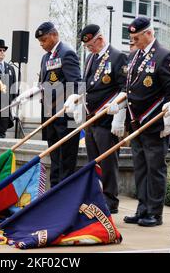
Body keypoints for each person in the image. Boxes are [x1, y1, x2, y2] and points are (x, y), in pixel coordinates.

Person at [118, 17, 170, 227]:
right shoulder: (135, 56)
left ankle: (155, 213)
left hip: (154, 124)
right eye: (132, 38)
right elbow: (130, 88)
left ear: (148, 33)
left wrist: (167, 120)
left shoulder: (164, 56)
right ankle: (142, 208)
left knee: (155, 169)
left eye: (137, 37)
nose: (134, 41)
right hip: (137, 124)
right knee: (141, 168)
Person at [65, 24, 128, 213]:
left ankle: (110, 201)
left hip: (108, 119)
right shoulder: (91, 58)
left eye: (91, 45)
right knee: (94, 162)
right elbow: (86, 84)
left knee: (108, 163)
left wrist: (119, 114)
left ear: (100, 40)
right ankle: (96, 196)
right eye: (87, 47)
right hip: (91, 118)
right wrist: (78, 101)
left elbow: (124, 88)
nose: (89, 49)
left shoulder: (118, 57)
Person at [35, 21, 82, 187]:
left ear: (54, 35)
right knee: (54, 156)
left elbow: (76, 83)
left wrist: (71, 100)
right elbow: (44, 82)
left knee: (66, 158)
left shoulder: (67, 53)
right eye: (40, 41)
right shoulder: (46, 57)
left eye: (44, 40)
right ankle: (54, 188)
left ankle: (64, 191)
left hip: (65, 115)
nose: (42, 44)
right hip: (50, 114)